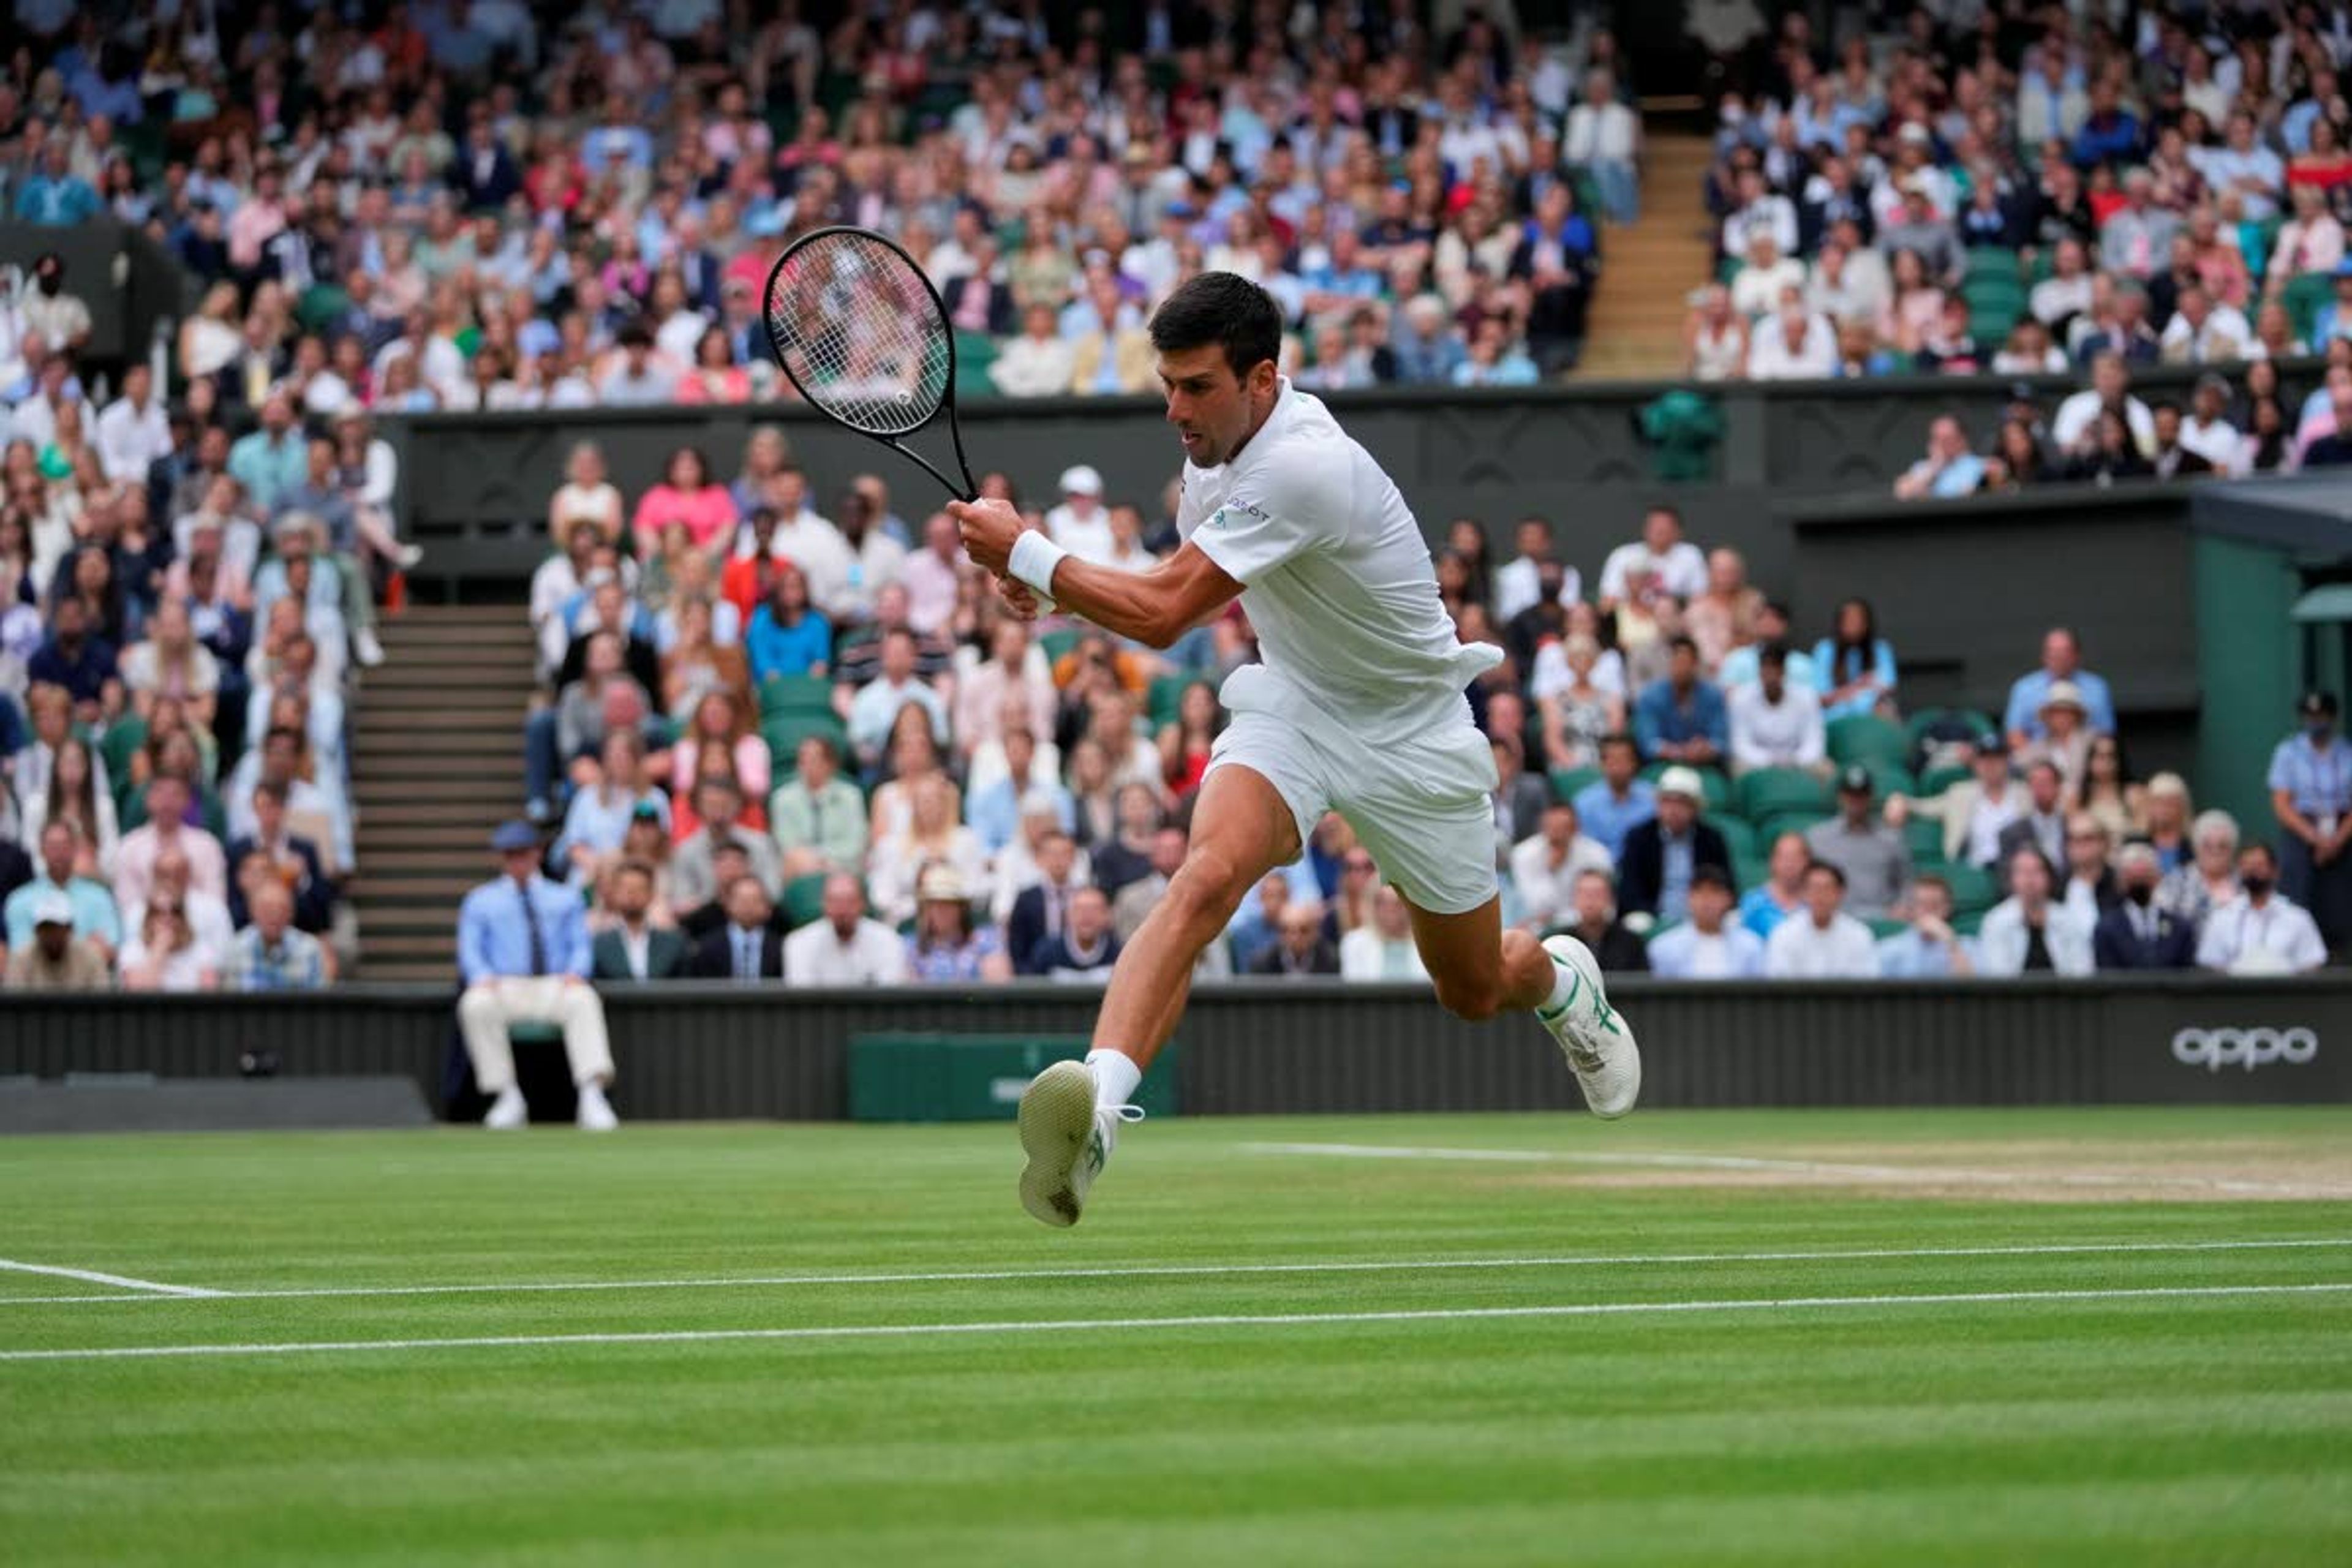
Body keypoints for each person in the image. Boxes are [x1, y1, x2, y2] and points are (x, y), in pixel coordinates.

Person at [951, 273, 1640, 1225]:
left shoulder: (1305, 466)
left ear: (1262, 379)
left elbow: (1161, 613)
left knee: (1476, 989)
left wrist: (1030, 556)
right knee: (1203, 878)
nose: (1174, 408)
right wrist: (1051, 593)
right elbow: (1165, 585)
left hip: (1414, 733)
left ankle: (1562, 982)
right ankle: (1098, 1118)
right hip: (1299, 707)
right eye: (1167, 385)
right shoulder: (1209, 458)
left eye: (1196, 386)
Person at [454, 821, 620, 1131]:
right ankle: (506, 1095)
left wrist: (576, 972)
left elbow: (580, 946)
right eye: (509, 855)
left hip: (553, 985)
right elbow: (470, 951)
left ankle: (592, 1094)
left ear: (537, 854)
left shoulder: (566, 897)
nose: (517, 862)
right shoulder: (480, 900)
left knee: (584, 999)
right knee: (475, 1004)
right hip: (504, 986)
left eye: (523, 854)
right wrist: (480, 975)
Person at [2267, 690, 2352, 954]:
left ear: (2333, 717)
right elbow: (2282, 804)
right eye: (2311, 716)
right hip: (2302, 830)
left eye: (2322, 716)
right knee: (2297, 896)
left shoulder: (2348, 752)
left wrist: (2338, 838)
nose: (2316, 721)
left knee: (2342, 902)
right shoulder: (2288, 752)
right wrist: (2314, 837)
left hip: (2343, 832)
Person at [1618, 766, 1731, 923]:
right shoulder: (1639, 838)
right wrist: (1656, 916)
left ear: (1695, 808)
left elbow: (1725, 886)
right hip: (1653, 916)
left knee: (1733, 919)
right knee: (1636, 922)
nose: (1674, 810)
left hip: (1702, 917)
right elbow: (1629, 892)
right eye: (1667, 801)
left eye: (1682, 803)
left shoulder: (1711, 839)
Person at [1888, 734, 2019, 869]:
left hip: (2017, 871)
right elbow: (1923, 807)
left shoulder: (2024, 793)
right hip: (1974, 871)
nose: (1990, 764)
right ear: (1975, 763)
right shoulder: (1959, 794)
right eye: (1984, 759)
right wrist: (1900, 801)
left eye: (1996, 758)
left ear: (2006, 762)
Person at [2196, 842, 2328, 974]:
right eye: (2246, 865)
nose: (2252, 871)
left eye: (2259, 865)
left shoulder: (2298, 918)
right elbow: (2210, 964)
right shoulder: (2222, 917)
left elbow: (2312, 963)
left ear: (2275, 871)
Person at [1806, 765, 1912, 921]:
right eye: (1851, 795)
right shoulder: (1818, 838)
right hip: (1833, 918)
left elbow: (1906, 883)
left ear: (1870, 797)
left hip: (1880, 918)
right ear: (1840, 797)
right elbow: (1805, 883)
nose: (1856, 802)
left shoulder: (1891, 839)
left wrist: (1901, 908)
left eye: (1861, 796)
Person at [1976, 847, 2095, 977]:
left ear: (2050, 877)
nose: (2029, 879)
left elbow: (2083, 971)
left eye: (2036, 871)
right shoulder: (1995, 921)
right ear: (2011, 878)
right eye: (2021, 872)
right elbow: (1998, 976)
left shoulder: (2068, 920)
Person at [783, 873, 908, 986]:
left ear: (863, 904)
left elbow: (888, 995)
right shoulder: (799, 942)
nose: (842, 910)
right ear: (824, 904)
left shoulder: (888, 940)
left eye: (850, 902)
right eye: (834, 902)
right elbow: (802, 998)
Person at [1508, 800, 1613, 932]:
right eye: (1551, 828)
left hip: (1590, 927)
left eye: (1564, 828)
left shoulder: (1598, 854)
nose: (1558, 835)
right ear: (1542, 828)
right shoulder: (1523, 855)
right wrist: (1552, 871)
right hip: (1540, 930)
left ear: (1576, 828)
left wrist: (1559, 919)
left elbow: (1607, 909)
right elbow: (1535, 908)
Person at [1647, 865, 1765, 979]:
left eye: (1715, 891)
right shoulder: (1663, 947)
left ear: (1729, 899)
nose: (1707, 900)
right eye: (1699, 892)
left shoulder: (1751, 946)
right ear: (1689, 898)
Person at [1764, 861, 1878, 979]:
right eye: (1814, 888)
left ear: (1840, 893)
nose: (1820, 896)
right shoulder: (1784, 934)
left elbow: (1865, 986)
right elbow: (1779, 985)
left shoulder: (1860, 935)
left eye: (1827, 888)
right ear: (1804, 893)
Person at [2003, 628, 2116, 746]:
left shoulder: (2097, 688)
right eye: (2053, 651)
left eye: (2065, 651)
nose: (2059, 657)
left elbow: (2106, 734)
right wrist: (2040, 761)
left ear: (2077, 655)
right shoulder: (2024, 688)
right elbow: (2014, 735)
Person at [2093, 844, 2198, 971]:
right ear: (2121, 881)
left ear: (2157, 878)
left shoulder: (2180, 928)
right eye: (2133, 877)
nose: (2139, 883)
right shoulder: (2107, 928)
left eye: (2145, 876)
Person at [1727, 644, 1826, 775]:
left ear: (1784, 671)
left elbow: (1814, 743)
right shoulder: (1741, 698)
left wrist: (1794, 760)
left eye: (1776, 669)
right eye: (1766, 669)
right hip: (1756, 763)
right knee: (1737, 769)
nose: (1771, 676)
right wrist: (1769, 760)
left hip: (1797, 761)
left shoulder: (1807, 698)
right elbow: (1740, 745)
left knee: (1825, 770)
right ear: (1760, 671)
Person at [589, 860, 690, 981]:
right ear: (614, 893)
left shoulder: (674, 942)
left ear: (651, 894)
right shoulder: (598, 944)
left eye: (639, 888)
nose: (632, 895)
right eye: (626, 889)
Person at [226, 879, 329, 990]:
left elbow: (317, 1001)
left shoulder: (309, 948)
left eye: (282, 909)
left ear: (291, 913)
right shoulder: (236, 947)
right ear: (252, 911)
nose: (275, 915)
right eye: (267, 909)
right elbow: (232, 1002)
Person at [1875, 875, 1976, 979]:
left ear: (1947, 908)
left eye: (1935, 905)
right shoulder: (1890, 948)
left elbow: (1972, 989)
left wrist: (1952, 944)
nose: (1928, 911)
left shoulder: (1968, 947)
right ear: (1911, 909)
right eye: (1922, 904)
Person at [693, 873, 785, 981]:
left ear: (768, 908)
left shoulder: (781, 947)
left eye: (755, 900)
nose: (748, 907)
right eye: (742, 900)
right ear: (728, 904)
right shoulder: (708, 946)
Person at [1338, 882, 1431, 980]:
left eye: (1398, 903)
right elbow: (1353, 989)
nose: (1390, 909)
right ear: (1372, 905)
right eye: (1382, 903)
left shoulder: (1429, 942)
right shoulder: (1354, 942)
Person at [1248, 897, 1341, 977]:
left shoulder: (1332, 960)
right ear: (1279, 933)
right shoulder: (1262, 963)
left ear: (1315, 932)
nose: (1295, 938)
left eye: (1303, 930)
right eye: (1286, 931)